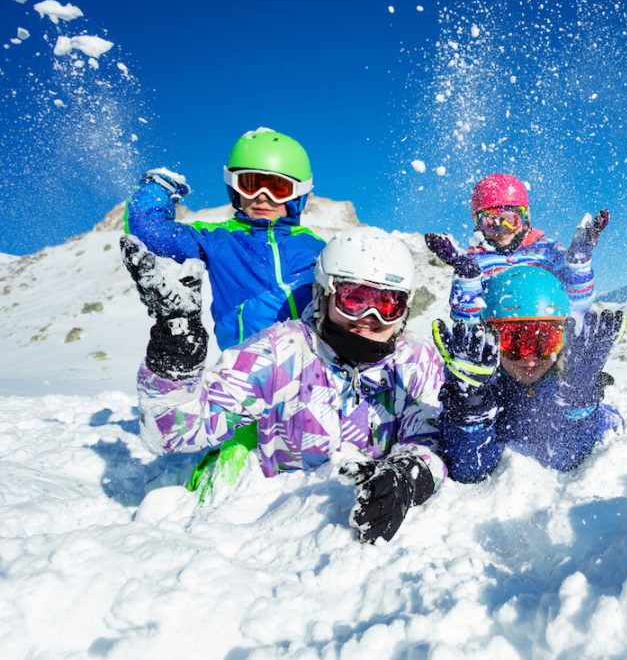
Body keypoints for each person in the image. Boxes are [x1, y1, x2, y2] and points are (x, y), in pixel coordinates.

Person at [124, 228, 446, 543]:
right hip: (278, 536)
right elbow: (172, 432)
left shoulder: (415, 361)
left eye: (388, 304)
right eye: (354, 299)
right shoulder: (283, 352)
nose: (369, 316)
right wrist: (175, 352)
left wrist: (406, 478)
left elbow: (431, 439)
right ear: (325, 294)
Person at [124, 127, 326, 494]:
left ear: (298, 194)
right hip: (250, 381)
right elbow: (150, 232)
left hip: (316, 376)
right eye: (251, 184)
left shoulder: (317, 249)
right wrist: (157, 189)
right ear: (235, 188)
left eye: (277, 188)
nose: (262, 197)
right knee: (245, 470)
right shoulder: (218, 241)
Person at [432, 265, 624, 482]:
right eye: (512, 341)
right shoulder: (479, 388)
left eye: (543, 341)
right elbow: (469, 470)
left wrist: (579, 401)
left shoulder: (566, 384)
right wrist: (471, 406)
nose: (529, 357)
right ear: (489, 339)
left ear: (563, 341)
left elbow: (589, 445)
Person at [424, 173, 609, 325]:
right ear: (478, 223)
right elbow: (466, 324)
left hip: (550, 342)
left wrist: (579, 260)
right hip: (502, 352)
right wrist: (467, 278)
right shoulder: (476, 262)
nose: (503, 228)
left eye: (511, 219)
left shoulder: (547, 253)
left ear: (525, 217)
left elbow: (578, 306)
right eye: (492, 220)